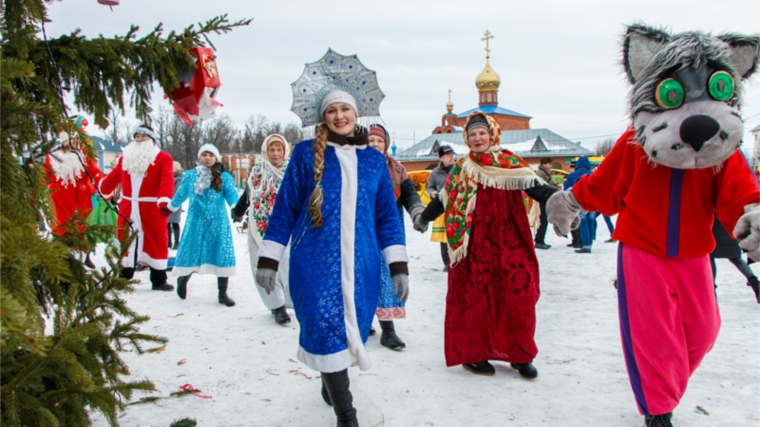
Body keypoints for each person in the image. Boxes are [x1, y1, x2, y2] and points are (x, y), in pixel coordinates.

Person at [255, 88, 409, 427]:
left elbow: (385, 215)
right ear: (323, 117)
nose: (339, 116)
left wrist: (398, 265)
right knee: (324, 327)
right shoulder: (304, 154)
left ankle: (332, 379)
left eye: (345, 110)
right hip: (315, 262)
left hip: (362, 264)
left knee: (346, 329)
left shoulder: (373, 160)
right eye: (332, 111)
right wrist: (268, 258)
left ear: (357, 114)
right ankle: (346, 414)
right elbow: (284, 209)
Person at [413, 112, 558, 379]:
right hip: (472, 247)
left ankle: (520, 354)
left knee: (518, 295)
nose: (477, 138)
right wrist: (424, 217)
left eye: (482, 133)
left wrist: (561, 200)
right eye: (472, 134)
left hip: (509, 242)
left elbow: (537, 188)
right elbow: (445, 198)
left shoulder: (509, 161)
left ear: (492, 134)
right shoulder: (462, 167)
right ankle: (474, 354)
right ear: (467, 139)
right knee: (474, 299)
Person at [367, 123, 426, 351]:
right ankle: (363, 321)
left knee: (387, 277)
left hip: (389, 233)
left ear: (386, 144)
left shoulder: (397, 169)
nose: (374, 144)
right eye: (370, 141)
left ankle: (388, 330)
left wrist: (418, 213)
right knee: (362, 275)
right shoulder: (356, 167)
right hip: (363, 231)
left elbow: (410, 194)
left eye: (378, 141)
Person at [99, 125, 175, 291]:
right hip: (128, 205)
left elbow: (167, 181)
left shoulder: (163, 158)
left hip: (152, 207)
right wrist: (104, 189)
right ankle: (124, 276)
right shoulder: (125, 157)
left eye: (143, 137)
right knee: (126, 239)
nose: (139, 140)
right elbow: (113, 177)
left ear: (152, 139)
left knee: (156, 240)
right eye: (137, 137)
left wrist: (164, 201)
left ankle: (158, 279)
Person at [167, 144, 239, 306]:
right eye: (204, 155)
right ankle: (183, 279)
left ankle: (222, 293)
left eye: (211, 155)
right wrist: (171, 206)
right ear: (200, 157)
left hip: (218, 221)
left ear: (216, 158)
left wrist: (235, 208)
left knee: (221, 253)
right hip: (196, 221)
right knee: (193, 250)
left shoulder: (224, 177)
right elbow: (181, 193)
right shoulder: (191, 175)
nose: (207, 158)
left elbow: (231, 193)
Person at [232, 134, 293, 322]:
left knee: (288, 264)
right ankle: (276, 306)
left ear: (285, 151)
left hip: (287, 225)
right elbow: (249, 195)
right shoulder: (258, 171)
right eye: (271, 150)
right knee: (265, 264)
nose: (275, 153)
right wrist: (239, 211)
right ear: (265, 152)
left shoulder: (292, 170)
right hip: (261, 226)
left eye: (279, 149)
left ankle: (292, 300)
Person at [44, 130, 105, 267]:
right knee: (60, 229)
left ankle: (85, 255)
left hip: (81, 200)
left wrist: (103, 183)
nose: (73, 142)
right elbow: (43, 176)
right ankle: (62, 259)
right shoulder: (52, 156)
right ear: (63, 140)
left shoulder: (84, 155)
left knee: (82, 229)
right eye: (69, 139)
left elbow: (94, 172)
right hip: (59, 199)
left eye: (76, 139)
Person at [710, 216, 760, 303]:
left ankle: (711, 290)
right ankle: (755, 282)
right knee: (735, 258)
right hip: (730, 226)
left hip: (713, 225)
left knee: (710, 257)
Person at [427, 145, 455, 271]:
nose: (451, 157)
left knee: (457, 234)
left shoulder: (459, 169)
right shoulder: (435, 173)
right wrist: (431, 192)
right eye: (448, 155)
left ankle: (458, 261)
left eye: (452, 155)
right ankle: (447, 263)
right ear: (441, 157)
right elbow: (430, 187)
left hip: (457, 207)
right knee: (444, 237)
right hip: (441, 208)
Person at [564, 156, 595, 253]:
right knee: (591, 222)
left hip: (579, 203)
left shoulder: (572, 175)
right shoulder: (593, 174)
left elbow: (566, 189)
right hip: (592, 202)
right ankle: (590, 243)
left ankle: (586, 245)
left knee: (583, 223)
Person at [533, 157, 561, 249]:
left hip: (546, 199)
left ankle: (541, 240)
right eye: (549, 164)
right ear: (544, 164)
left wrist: (556, 186)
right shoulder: (540, 173)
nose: (551, 166)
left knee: (544, 221)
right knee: (543, 220)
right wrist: (554, 188)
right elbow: (542, 186)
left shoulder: (545, 172)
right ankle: (539, 240)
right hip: (542, 199)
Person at [167, 161, 184, 250]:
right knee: (167, 223)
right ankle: (168, 242)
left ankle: (177, 242)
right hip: (167, 203)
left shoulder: (179, 179)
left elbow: (177, 191)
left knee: (174, 222)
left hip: (175, 203)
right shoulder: (168, 178)